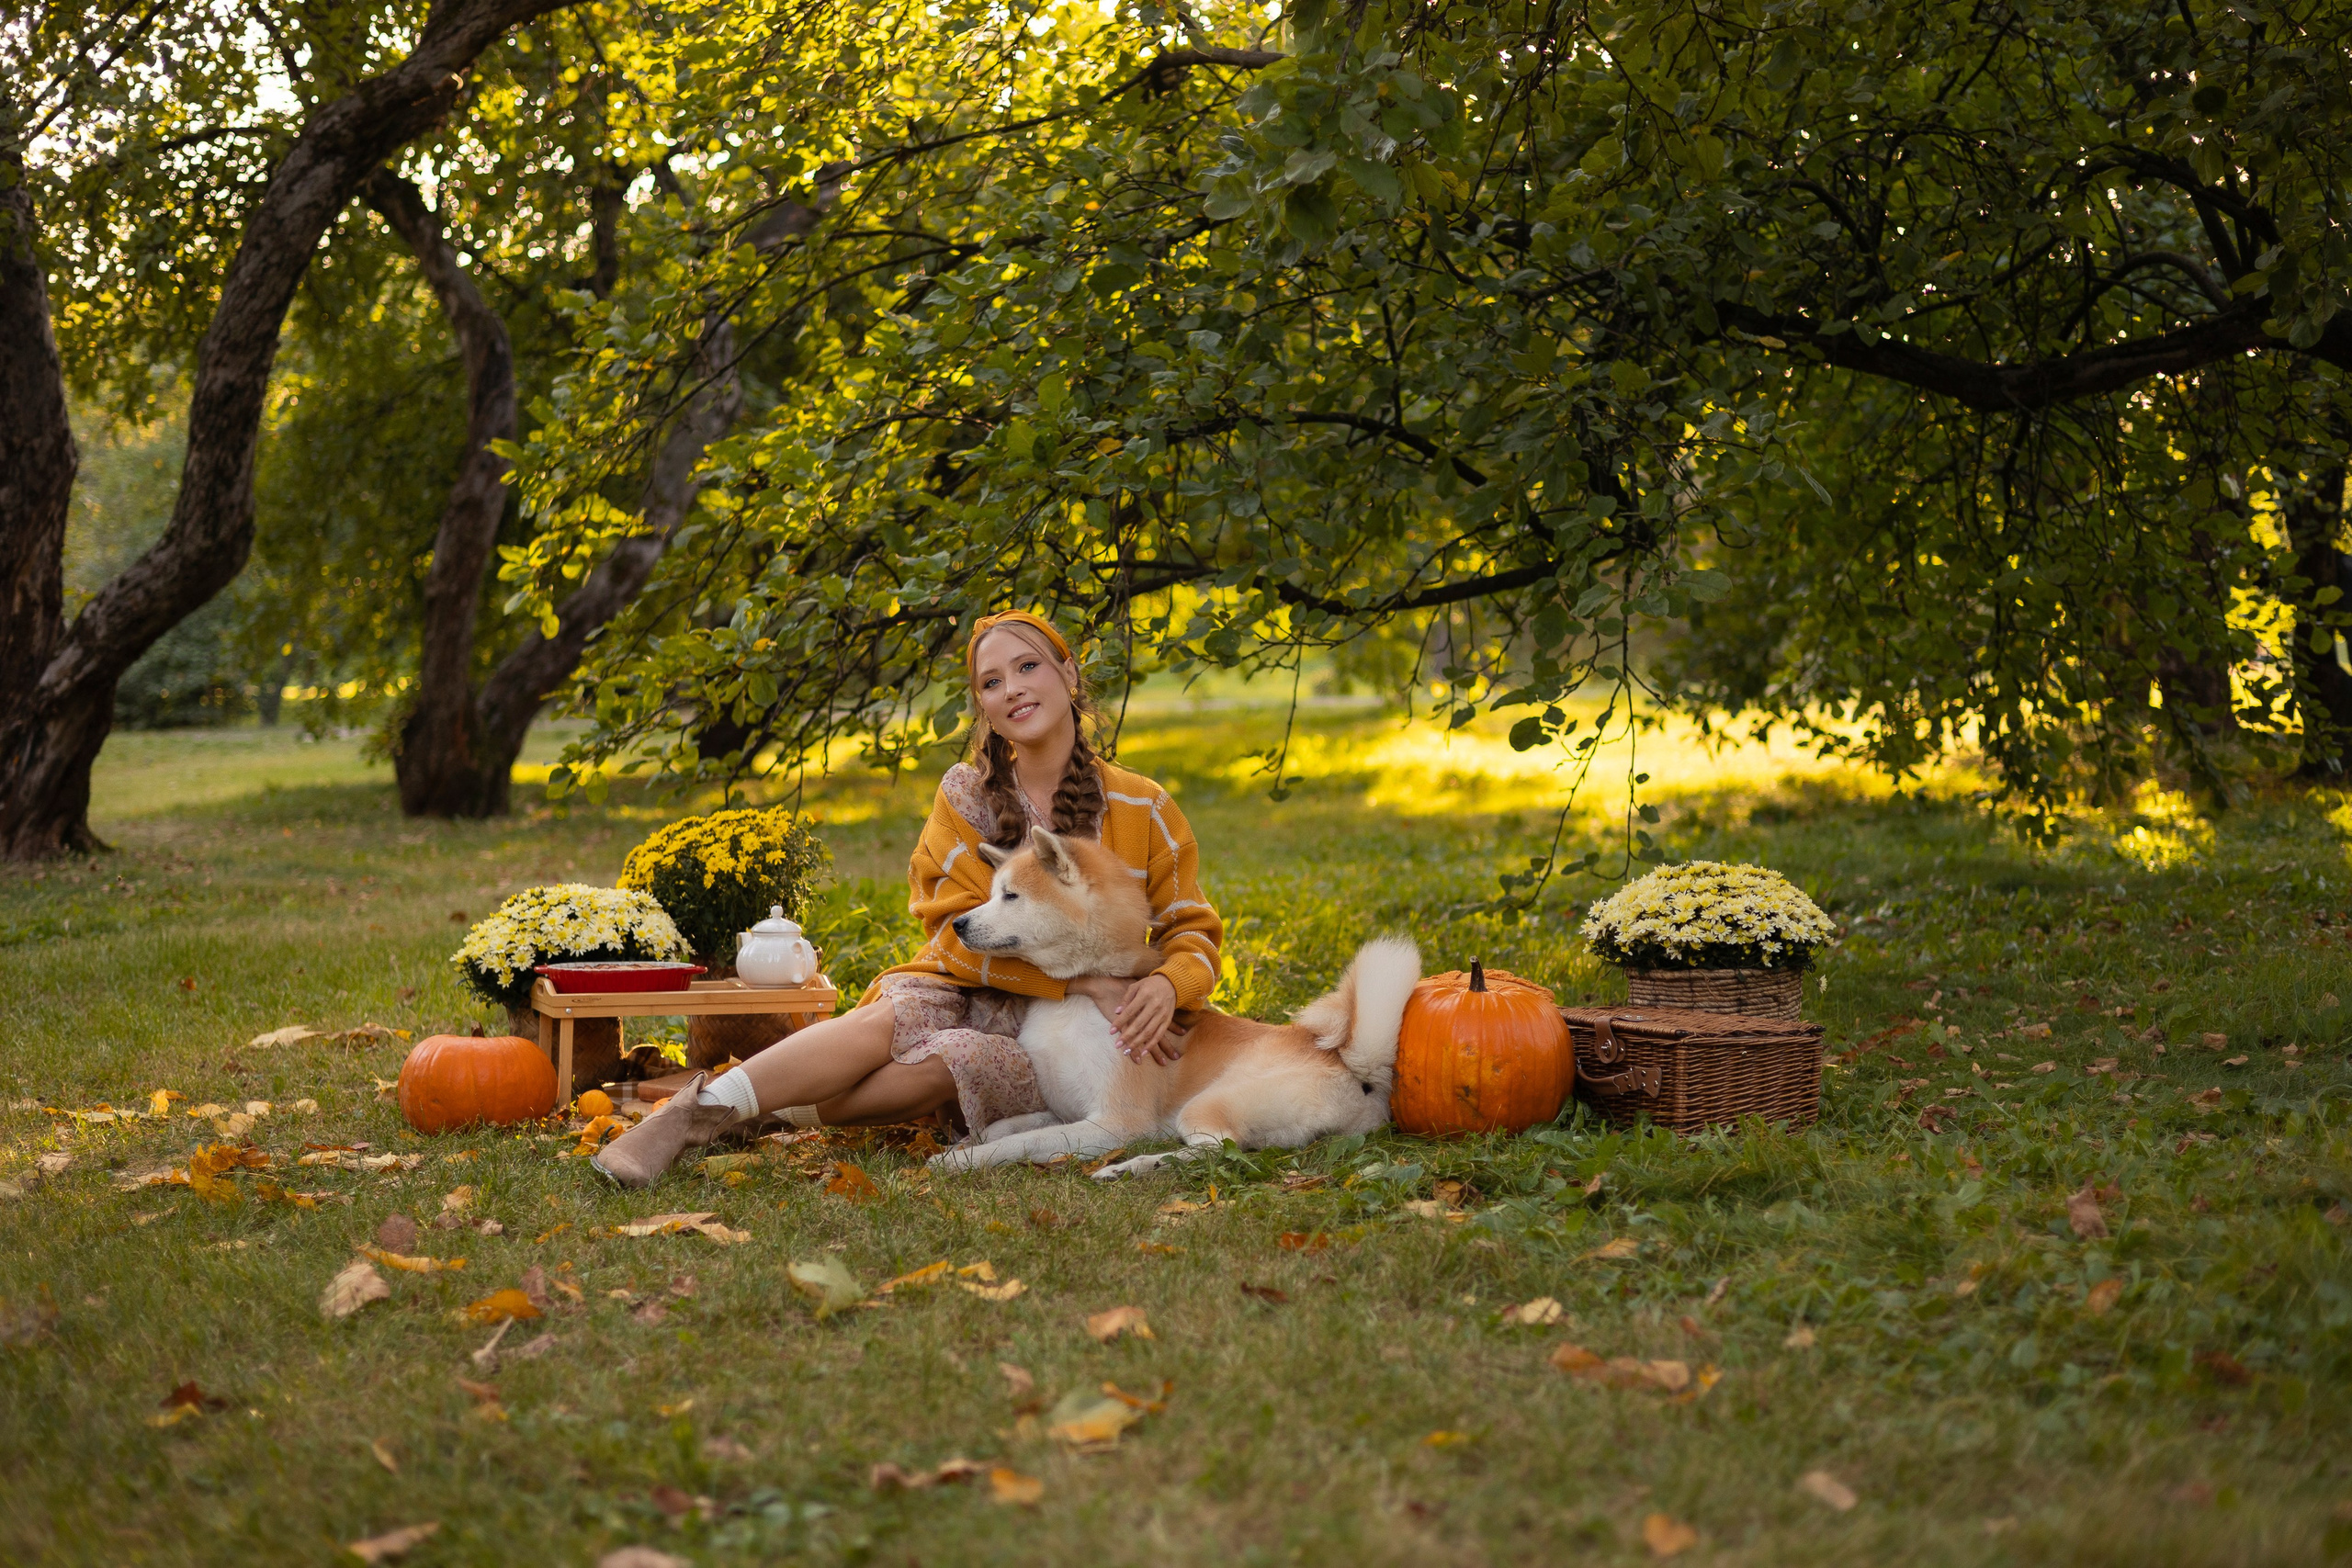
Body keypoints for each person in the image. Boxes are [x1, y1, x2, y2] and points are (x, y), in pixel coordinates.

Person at [594, 611, 1224, 1187]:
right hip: (966, 975)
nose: (1013, 689)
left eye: (1028, 666)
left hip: (1054, 1032)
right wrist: (1077, 985)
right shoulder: (966, 793)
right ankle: (686, 1117)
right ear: (982, 702)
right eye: (991, 681)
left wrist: (1169, 984)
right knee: (892, 1017)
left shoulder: (1145, 804)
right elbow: (951, 931)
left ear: (1069, 671)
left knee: (945, 1064)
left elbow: (1192, 931)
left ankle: (758, 1109)